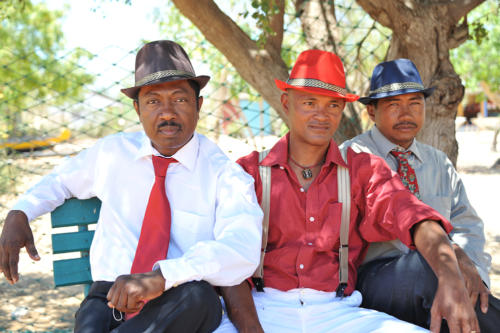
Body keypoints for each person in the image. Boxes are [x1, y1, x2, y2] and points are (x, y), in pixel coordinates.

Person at [0, 40, 263, 333]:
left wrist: (163, 277)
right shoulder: (112, 154)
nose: (166, 113)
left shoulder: (224, 175)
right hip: (109, 297)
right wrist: (19, 212)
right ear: (137, 109)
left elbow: (241, 248)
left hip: (180, 296)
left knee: (197, 295)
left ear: (198, 105)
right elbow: (59, 181)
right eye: (153, 102)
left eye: (179, 99)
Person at [215, 49, 479, 333]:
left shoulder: (361, 170)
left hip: (337, 311)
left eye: (333, 105)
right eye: (309, 102)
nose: (322, 115)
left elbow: (410, 213)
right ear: (285, 103)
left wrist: (449, 275)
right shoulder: (249, 172)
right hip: (260, 307)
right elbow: (228, 262)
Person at [341, 58, 500, 332]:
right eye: (394, 105)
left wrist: (476, 275)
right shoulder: (352, 157)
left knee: (465, 287)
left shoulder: (438, 162)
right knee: (435, 267)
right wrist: (449, 262)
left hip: (439, 274)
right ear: (371, 111)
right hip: (372, 278)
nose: (406, 114)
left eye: (415, 103)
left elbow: (468, 226)